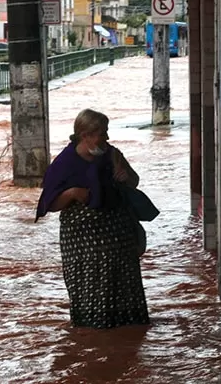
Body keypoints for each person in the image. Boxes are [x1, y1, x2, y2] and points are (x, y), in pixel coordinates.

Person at [35, 108, 150, 329]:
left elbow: (134, 181)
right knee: (89, 287)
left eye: (106, 132)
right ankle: (92, 333)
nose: (106, 138)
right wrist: (71, 194)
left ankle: (127, 332)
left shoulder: (113, 154)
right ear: (85, 135)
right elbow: (50, 204)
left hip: (118, 236)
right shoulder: (64, 164)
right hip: (82, 241)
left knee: (124, 284)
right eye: (101, 133)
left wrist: (126, 177)